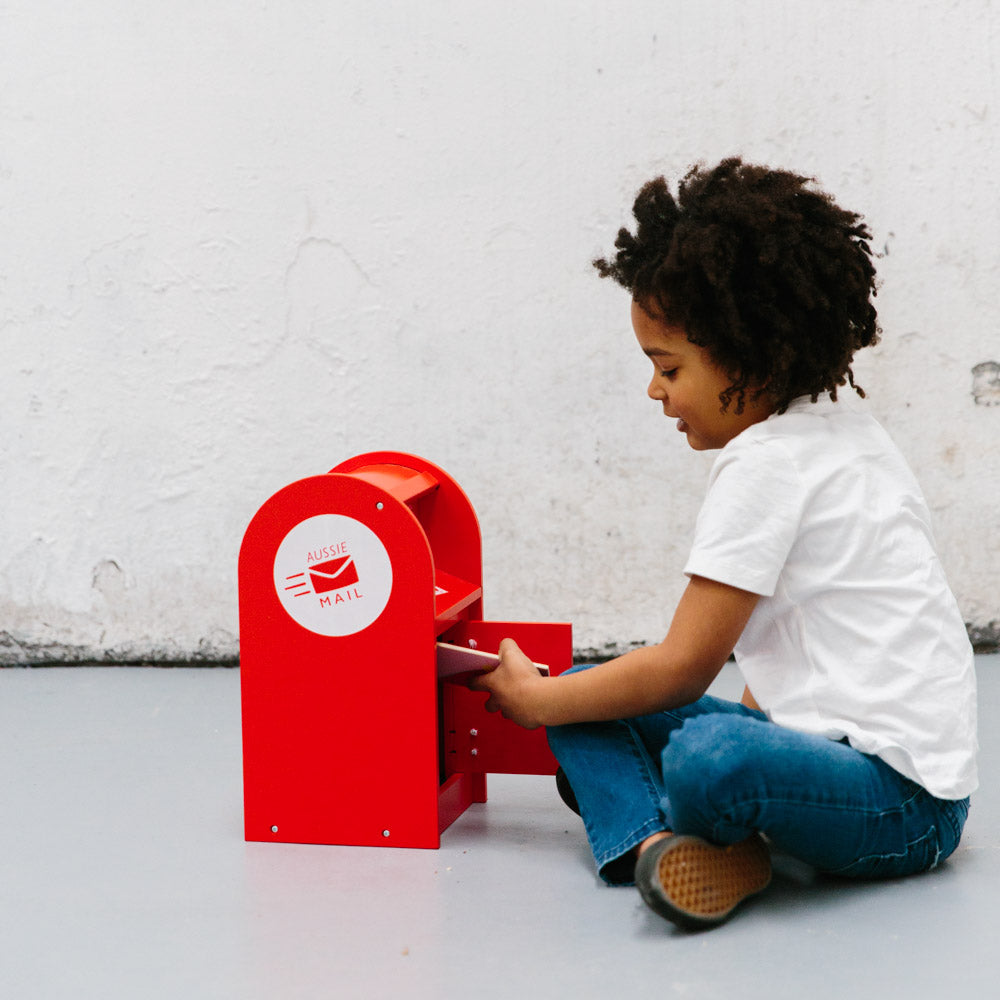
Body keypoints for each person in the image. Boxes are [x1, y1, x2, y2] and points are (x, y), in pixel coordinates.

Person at [470, 157, 978, 931]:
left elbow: (683, 667)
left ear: (750, 354)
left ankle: (669, 819)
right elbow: (795, 642)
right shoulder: (841, 426)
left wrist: (532, 703)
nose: (655, 391)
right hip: (831, 754)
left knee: (702, 753)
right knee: (588, 691)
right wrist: (561, 698)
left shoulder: (768, 466)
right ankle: (663, 851)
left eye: (668, 367)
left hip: (901, 806)